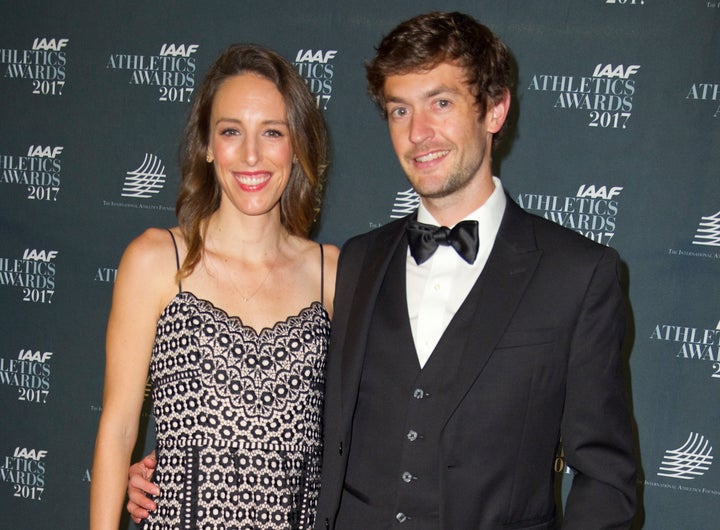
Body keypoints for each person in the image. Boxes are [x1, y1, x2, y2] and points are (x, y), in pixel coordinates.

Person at [129, 11, 637, 529]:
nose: (419, 133)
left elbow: (606, 480)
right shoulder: (355, 264)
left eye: (441, 102)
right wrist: (174, 470)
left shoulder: (577, 275)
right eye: (400, 110)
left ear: (495, 109)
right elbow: (286, 415)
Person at [90, 43, 338, 530]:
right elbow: (118, 429)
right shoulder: (156, 260)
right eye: (231, 131)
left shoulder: (332, 274)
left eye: (272, 132)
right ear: (206, 144)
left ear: (297, 146)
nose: (251, 155)